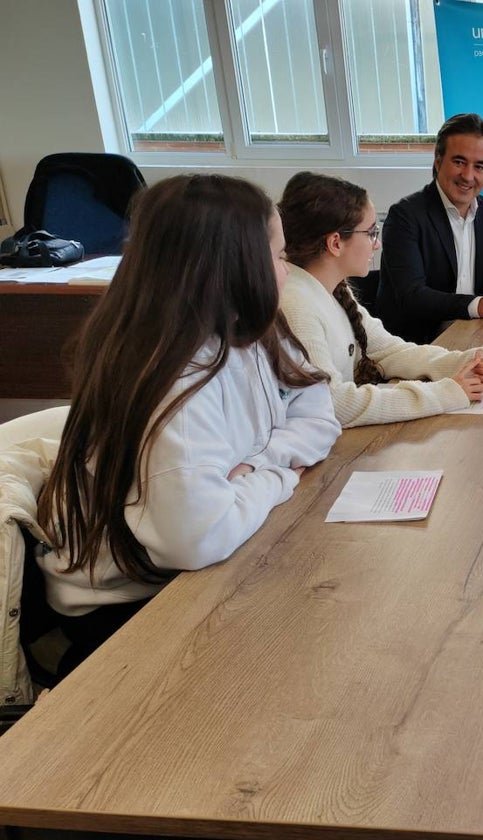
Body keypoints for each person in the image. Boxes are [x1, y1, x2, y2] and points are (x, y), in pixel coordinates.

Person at [36, 174, 339, 674]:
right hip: (125, 609)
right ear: (234, 266)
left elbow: (318, 414)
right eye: (279, 256)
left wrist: (255, 464)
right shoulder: (169, 372)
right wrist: (280, 476)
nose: (286, 270)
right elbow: (197, 538)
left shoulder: (248, 326)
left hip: (193, 566)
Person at [278, 172, 483, 428]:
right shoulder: (295, 304)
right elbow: (333, 404)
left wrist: (458, 362)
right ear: (335, 242)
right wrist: (444, 393)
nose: (377, 244)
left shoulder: (334, 289)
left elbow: (388, 351)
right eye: (370, 233)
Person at [376, 113, 483, 345]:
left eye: (479, 166)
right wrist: (482, 306)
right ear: (438, 161)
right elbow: (412, 296)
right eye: (459, 162)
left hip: (472, 336)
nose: (468, 176)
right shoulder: (405, 216)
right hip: (416, 346)